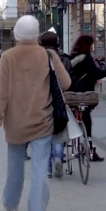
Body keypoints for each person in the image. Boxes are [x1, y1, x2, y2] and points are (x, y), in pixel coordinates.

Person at [0, 15, 71, 211]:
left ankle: (10, 204)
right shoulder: (48, 55)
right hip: (42, 119)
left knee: (15, 165)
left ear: (16, 33)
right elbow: (66, 82)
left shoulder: (8, 56)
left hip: (15, 121)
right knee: (40, 168)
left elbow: (0, 91)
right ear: (37, 34)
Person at [67, 34, 106, 163]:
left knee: (74, 119)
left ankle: (71, 147)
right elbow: (98, 73)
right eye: (91, 45)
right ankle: (91, 151)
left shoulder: (72, 57)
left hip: (72, 94)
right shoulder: (86, 58)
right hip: (85, 94)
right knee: (87, 122)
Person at [39, 32, 68, 178]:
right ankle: (58, 156)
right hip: (60, 100)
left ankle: (48, 168)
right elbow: (68, 81)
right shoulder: (64, 58)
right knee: (59, 131)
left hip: (42, 101)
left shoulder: (37, 58)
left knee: (45, 135)